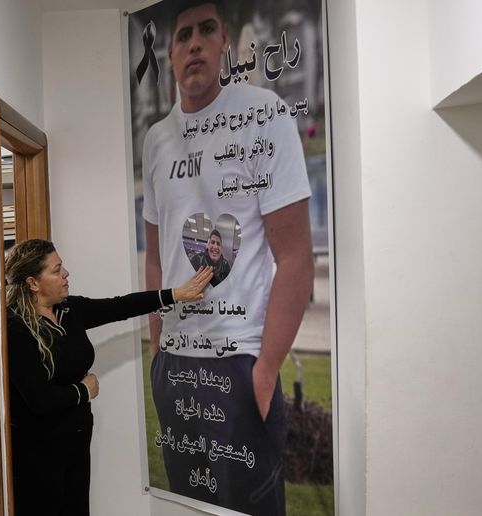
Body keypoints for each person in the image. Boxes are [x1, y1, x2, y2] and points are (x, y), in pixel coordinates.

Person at [141, 1, 315, 514]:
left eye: (207, 30)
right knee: (186, 505)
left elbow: (296, 257)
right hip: (176, 364)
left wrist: (264, 372)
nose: (194, 42)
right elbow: (155, 259)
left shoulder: (263, 114)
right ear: (170, 54)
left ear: (224, 44)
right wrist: (157, 353)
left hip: (239, 363)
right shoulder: (156, 141)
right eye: (183, 35)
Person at [4, 238, 212, 515]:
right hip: (38, 452)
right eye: (56, 270)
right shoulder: (15, 326)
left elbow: (120, 307)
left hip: (76, 441)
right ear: (33, 283)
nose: (66, 274)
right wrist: (83, 390)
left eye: (62, 266)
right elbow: (39, 399)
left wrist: (175, 294)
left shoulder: (69, 310)